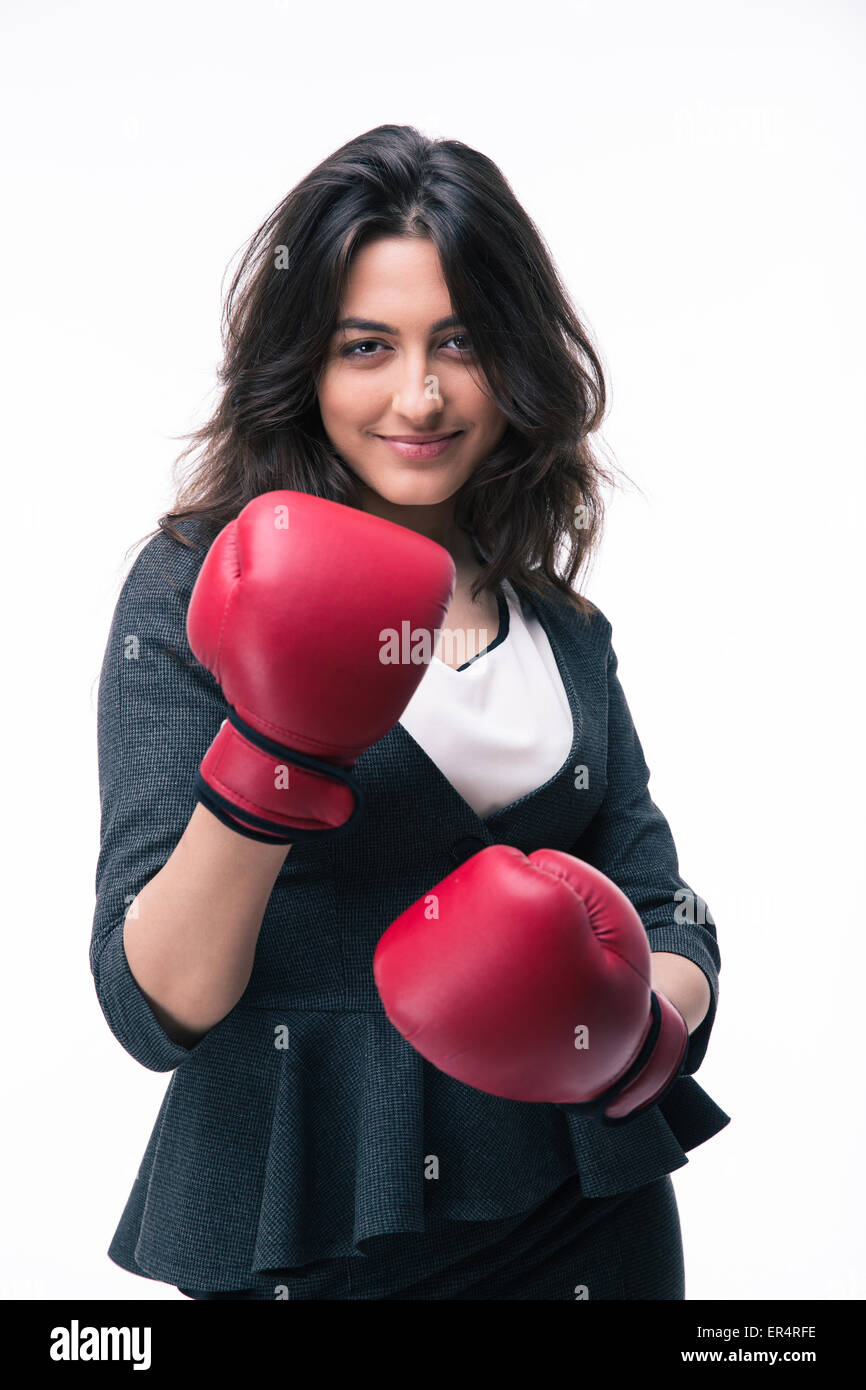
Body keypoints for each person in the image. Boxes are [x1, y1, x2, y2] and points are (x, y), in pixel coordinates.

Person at [91, 124, 730, 1301]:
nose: (419, 394)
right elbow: (151, 1002)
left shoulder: (562, 630)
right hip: (313, 1227)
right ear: (305, 365)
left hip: (584, 1216)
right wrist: (276, 751)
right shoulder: (192, 587)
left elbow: (666, 911)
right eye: (365, 346)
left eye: (460, 344)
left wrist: (623, 1022)